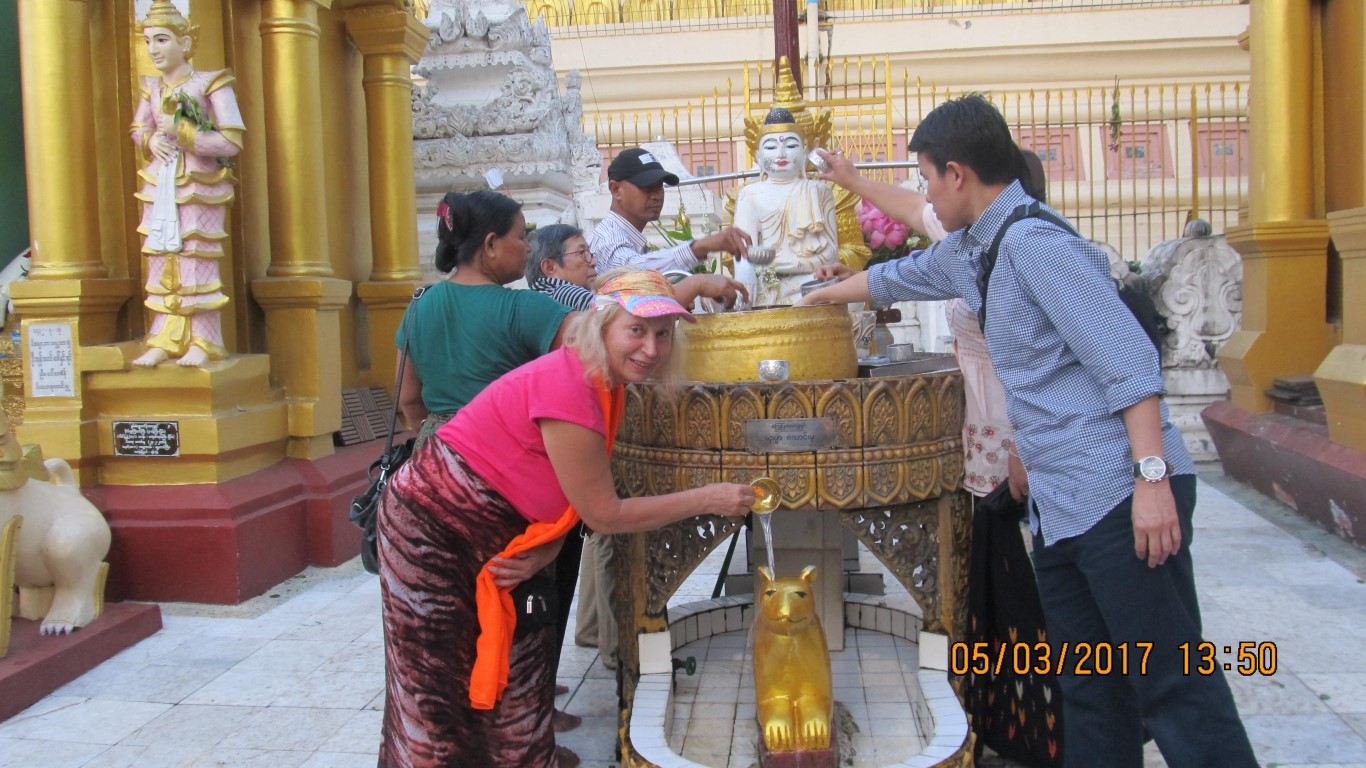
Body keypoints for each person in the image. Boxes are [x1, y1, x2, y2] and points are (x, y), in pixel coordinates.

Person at [799, 95, 1258, 768]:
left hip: (1118, 492)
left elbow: (1128, 362)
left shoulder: (1036, 246)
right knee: (1091, 690)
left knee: (1172, 685)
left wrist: (1152, 480)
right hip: (1061, 505)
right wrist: (815, 297)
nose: (926, 195)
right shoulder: (974, 249)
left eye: (927, 178)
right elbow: (899, 276)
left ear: (957, 174)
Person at [377, 269, 756, 768]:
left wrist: (553, 541)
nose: (651, 349)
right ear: (601, 326)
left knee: (524, 658)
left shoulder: (603, 378)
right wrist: (708, 498)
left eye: (663, 334)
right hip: (432, 526)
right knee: (435, 681)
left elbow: (573, 492)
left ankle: (523, 756)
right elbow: (606, 513)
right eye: (636, 330)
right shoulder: (571, 386)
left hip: (504, 528)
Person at [396, 191, 573, 447]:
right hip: (501, 451)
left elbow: (408, 398)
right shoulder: (527, 308)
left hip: (435, 452)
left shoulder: (419, 305)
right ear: (491, 245)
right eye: (521, 236)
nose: (529, 247)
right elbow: (593, 351)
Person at [129, 1, 245, 368]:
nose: (154, 49)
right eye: (148, 41)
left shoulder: (210, 83)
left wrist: (184, 131)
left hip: (199, 186)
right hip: (161, 183)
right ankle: (165, 338)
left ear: (186, 42)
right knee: (162, 257)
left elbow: (231, 141)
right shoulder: (152, 87)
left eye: (162, 39)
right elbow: (139, 127)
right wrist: (150, 139)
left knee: (196, 259)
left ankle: (204, 341)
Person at [733, 108, 839, 305]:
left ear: (804, 152)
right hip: (769, 286)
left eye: (790, 146)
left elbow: (831, 252)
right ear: (758, 156)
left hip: (811, 281)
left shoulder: (819, 191)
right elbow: (743, 255)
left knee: (841, 293)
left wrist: (791, 265)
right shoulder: (749, 195)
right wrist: (745, 289)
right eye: (771, 147)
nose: (781, 154)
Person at [591, 148, 752, 274]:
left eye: (659, 186)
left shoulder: (630, 239)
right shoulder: (608, 240)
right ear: (616, 190)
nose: (656, 195)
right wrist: (700, 247)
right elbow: (635, 274)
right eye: (646, 187)